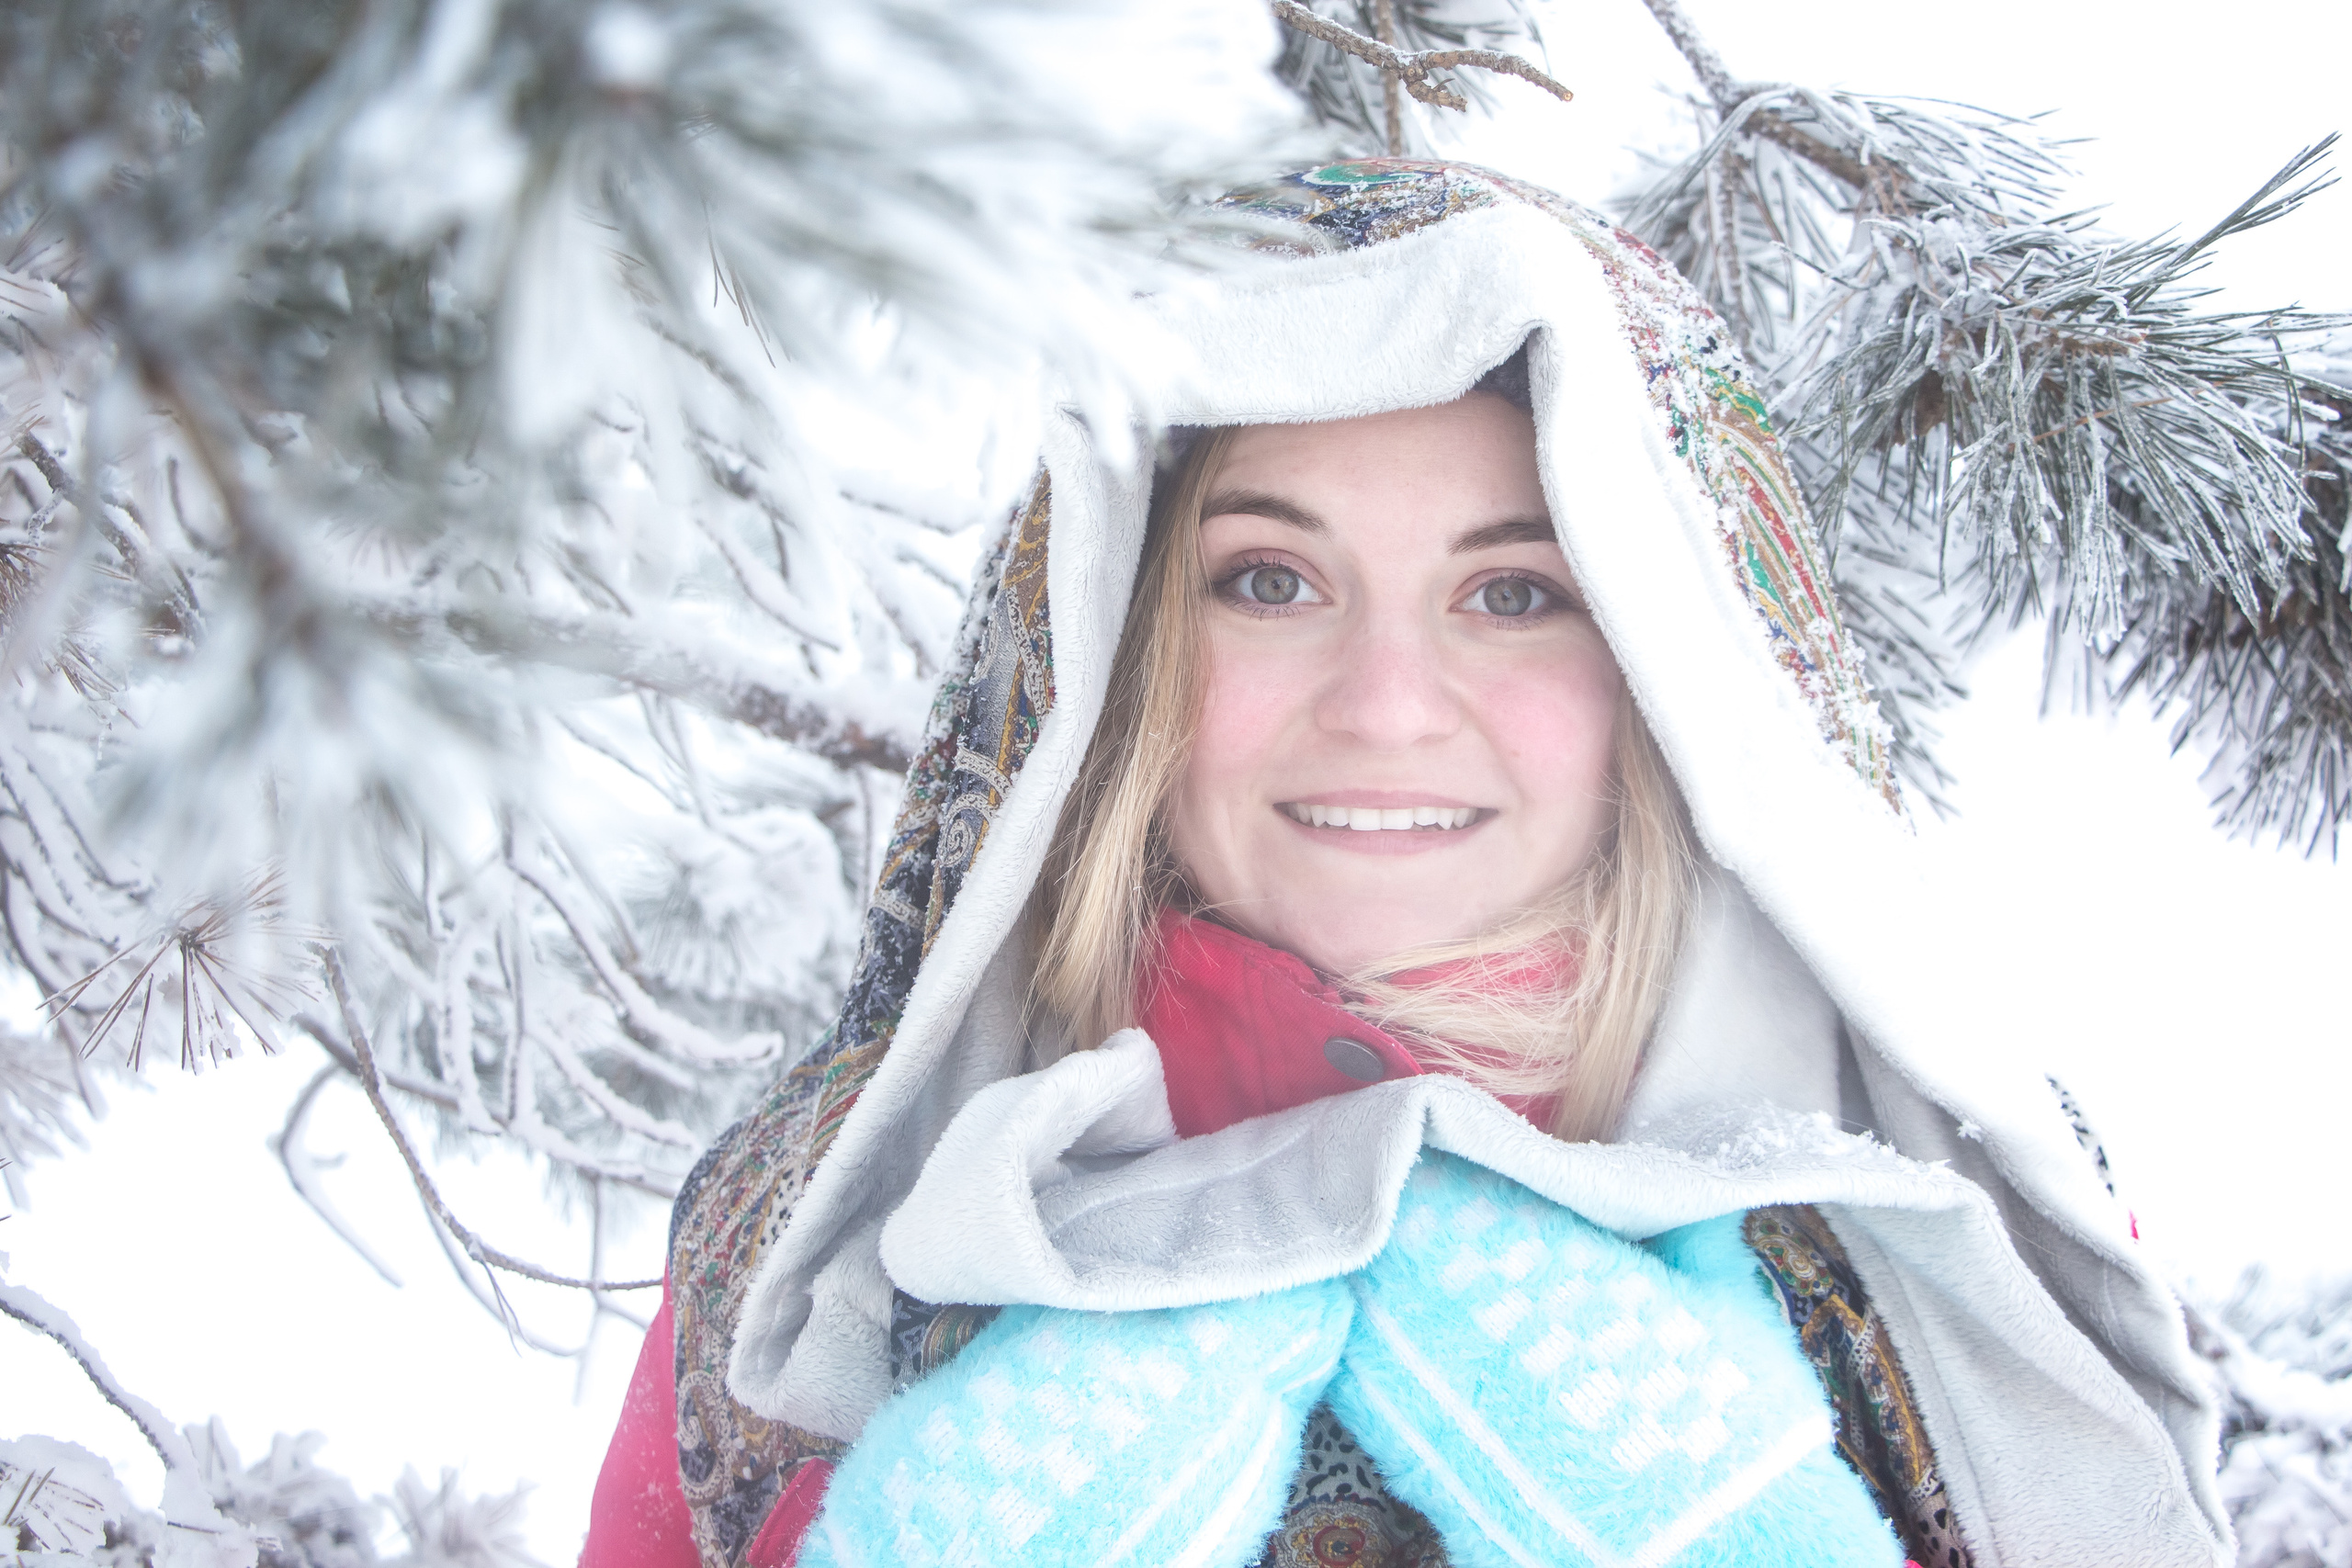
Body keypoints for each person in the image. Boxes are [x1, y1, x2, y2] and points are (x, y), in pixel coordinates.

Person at [582, 161, 2231, 1568]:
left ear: (1673, 682)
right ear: (1122, 643)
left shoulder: (1950, 1256)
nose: (1384, 707)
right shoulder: (814, 1246)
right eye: (1271, 582)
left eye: (1512, 593)